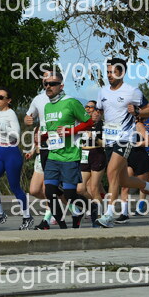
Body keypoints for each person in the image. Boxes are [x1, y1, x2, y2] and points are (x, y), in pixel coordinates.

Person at [95, 58, 149, 228]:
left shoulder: (132, 91)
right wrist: (96, 116)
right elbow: (100, 111)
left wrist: (138, 110)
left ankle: (109, 214)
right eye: (108, 72)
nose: (109, 75)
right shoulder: (102, 92)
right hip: (109, 139)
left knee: (111, 172)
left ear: (122, 73)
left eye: (113, 72)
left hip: (125, 138)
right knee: (123, 180)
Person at [42, 71, 94, 229]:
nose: (48, 86)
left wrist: (70, 131)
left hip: (70, 156)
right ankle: (63, 227)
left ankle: (92, 207)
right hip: (53, 155)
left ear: (61, 86)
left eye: (52, 84)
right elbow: (52, 131)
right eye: (46, 84)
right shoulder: (47, 106)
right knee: (49, 192)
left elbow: (88, 122)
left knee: (70, 194)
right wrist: (42, 137)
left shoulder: (71, 102)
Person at [0, 88, 31, 230]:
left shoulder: (11, 114)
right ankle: (0, 214)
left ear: (9, 100)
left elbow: (16, 134)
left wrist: (0, 125)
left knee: (15, 187)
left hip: (11, 153)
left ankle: (27, 217)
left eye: (1, 97)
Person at [24, 71, 54, 229]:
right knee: (35, 190)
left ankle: (48, 218)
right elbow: (28, 117)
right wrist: (28, 119)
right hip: (42, 148)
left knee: (47, 187)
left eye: (50, 81)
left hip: (57, 148)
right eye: (45, 81)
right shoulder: (38, 99)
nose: (47, 84)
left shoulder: (66, 100)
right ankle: (66, 205)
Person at [116, 117, 149, 223]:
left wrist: (134, 143)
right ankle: (124, 214)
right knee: (125, 185)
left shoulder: (138, 125)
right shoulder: (123, 126)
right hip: (127, 157)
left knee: (143, 187)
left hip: (140, 158)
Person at [79, 100, 106, 227]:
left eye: (91, 107)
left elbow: (105, 144)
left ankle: (98, 218)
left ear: (97, 111)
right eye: (87, 107)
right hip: (84, 155)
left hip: (97, 154)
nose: (88, 109)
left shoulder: (102, 125)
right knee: (80, 188)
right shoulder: (83, 123)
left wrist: (94, 138)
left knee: (94, 188)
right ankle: (94, 206)